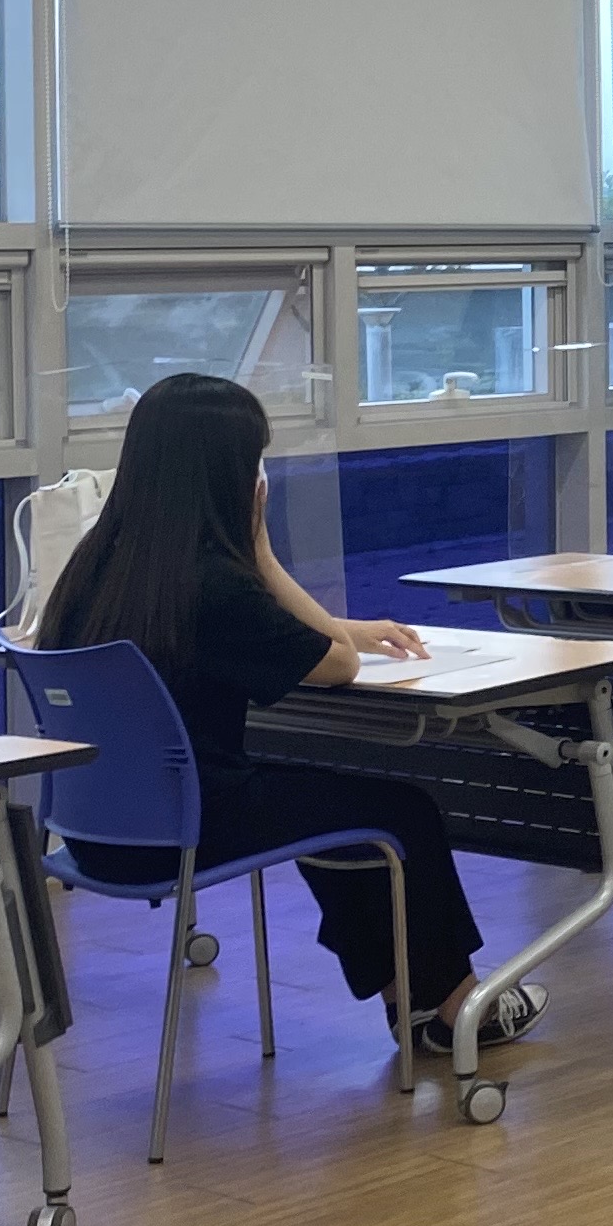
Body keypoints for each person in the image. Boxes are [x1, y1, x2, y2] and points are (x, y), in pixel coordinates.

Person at [33, 372, 527, 1055]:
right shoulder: (215, 583)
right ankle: (454, 1006)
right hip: (187, 824)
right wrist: (262, 552)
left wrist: (348, 628)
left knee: (332, 809)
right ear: (231, 475)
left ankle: (412, 999)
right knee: (398, 811)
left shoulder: (96, 569)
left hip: (96, 834)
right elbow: (337, 666)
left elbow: (303, 643)